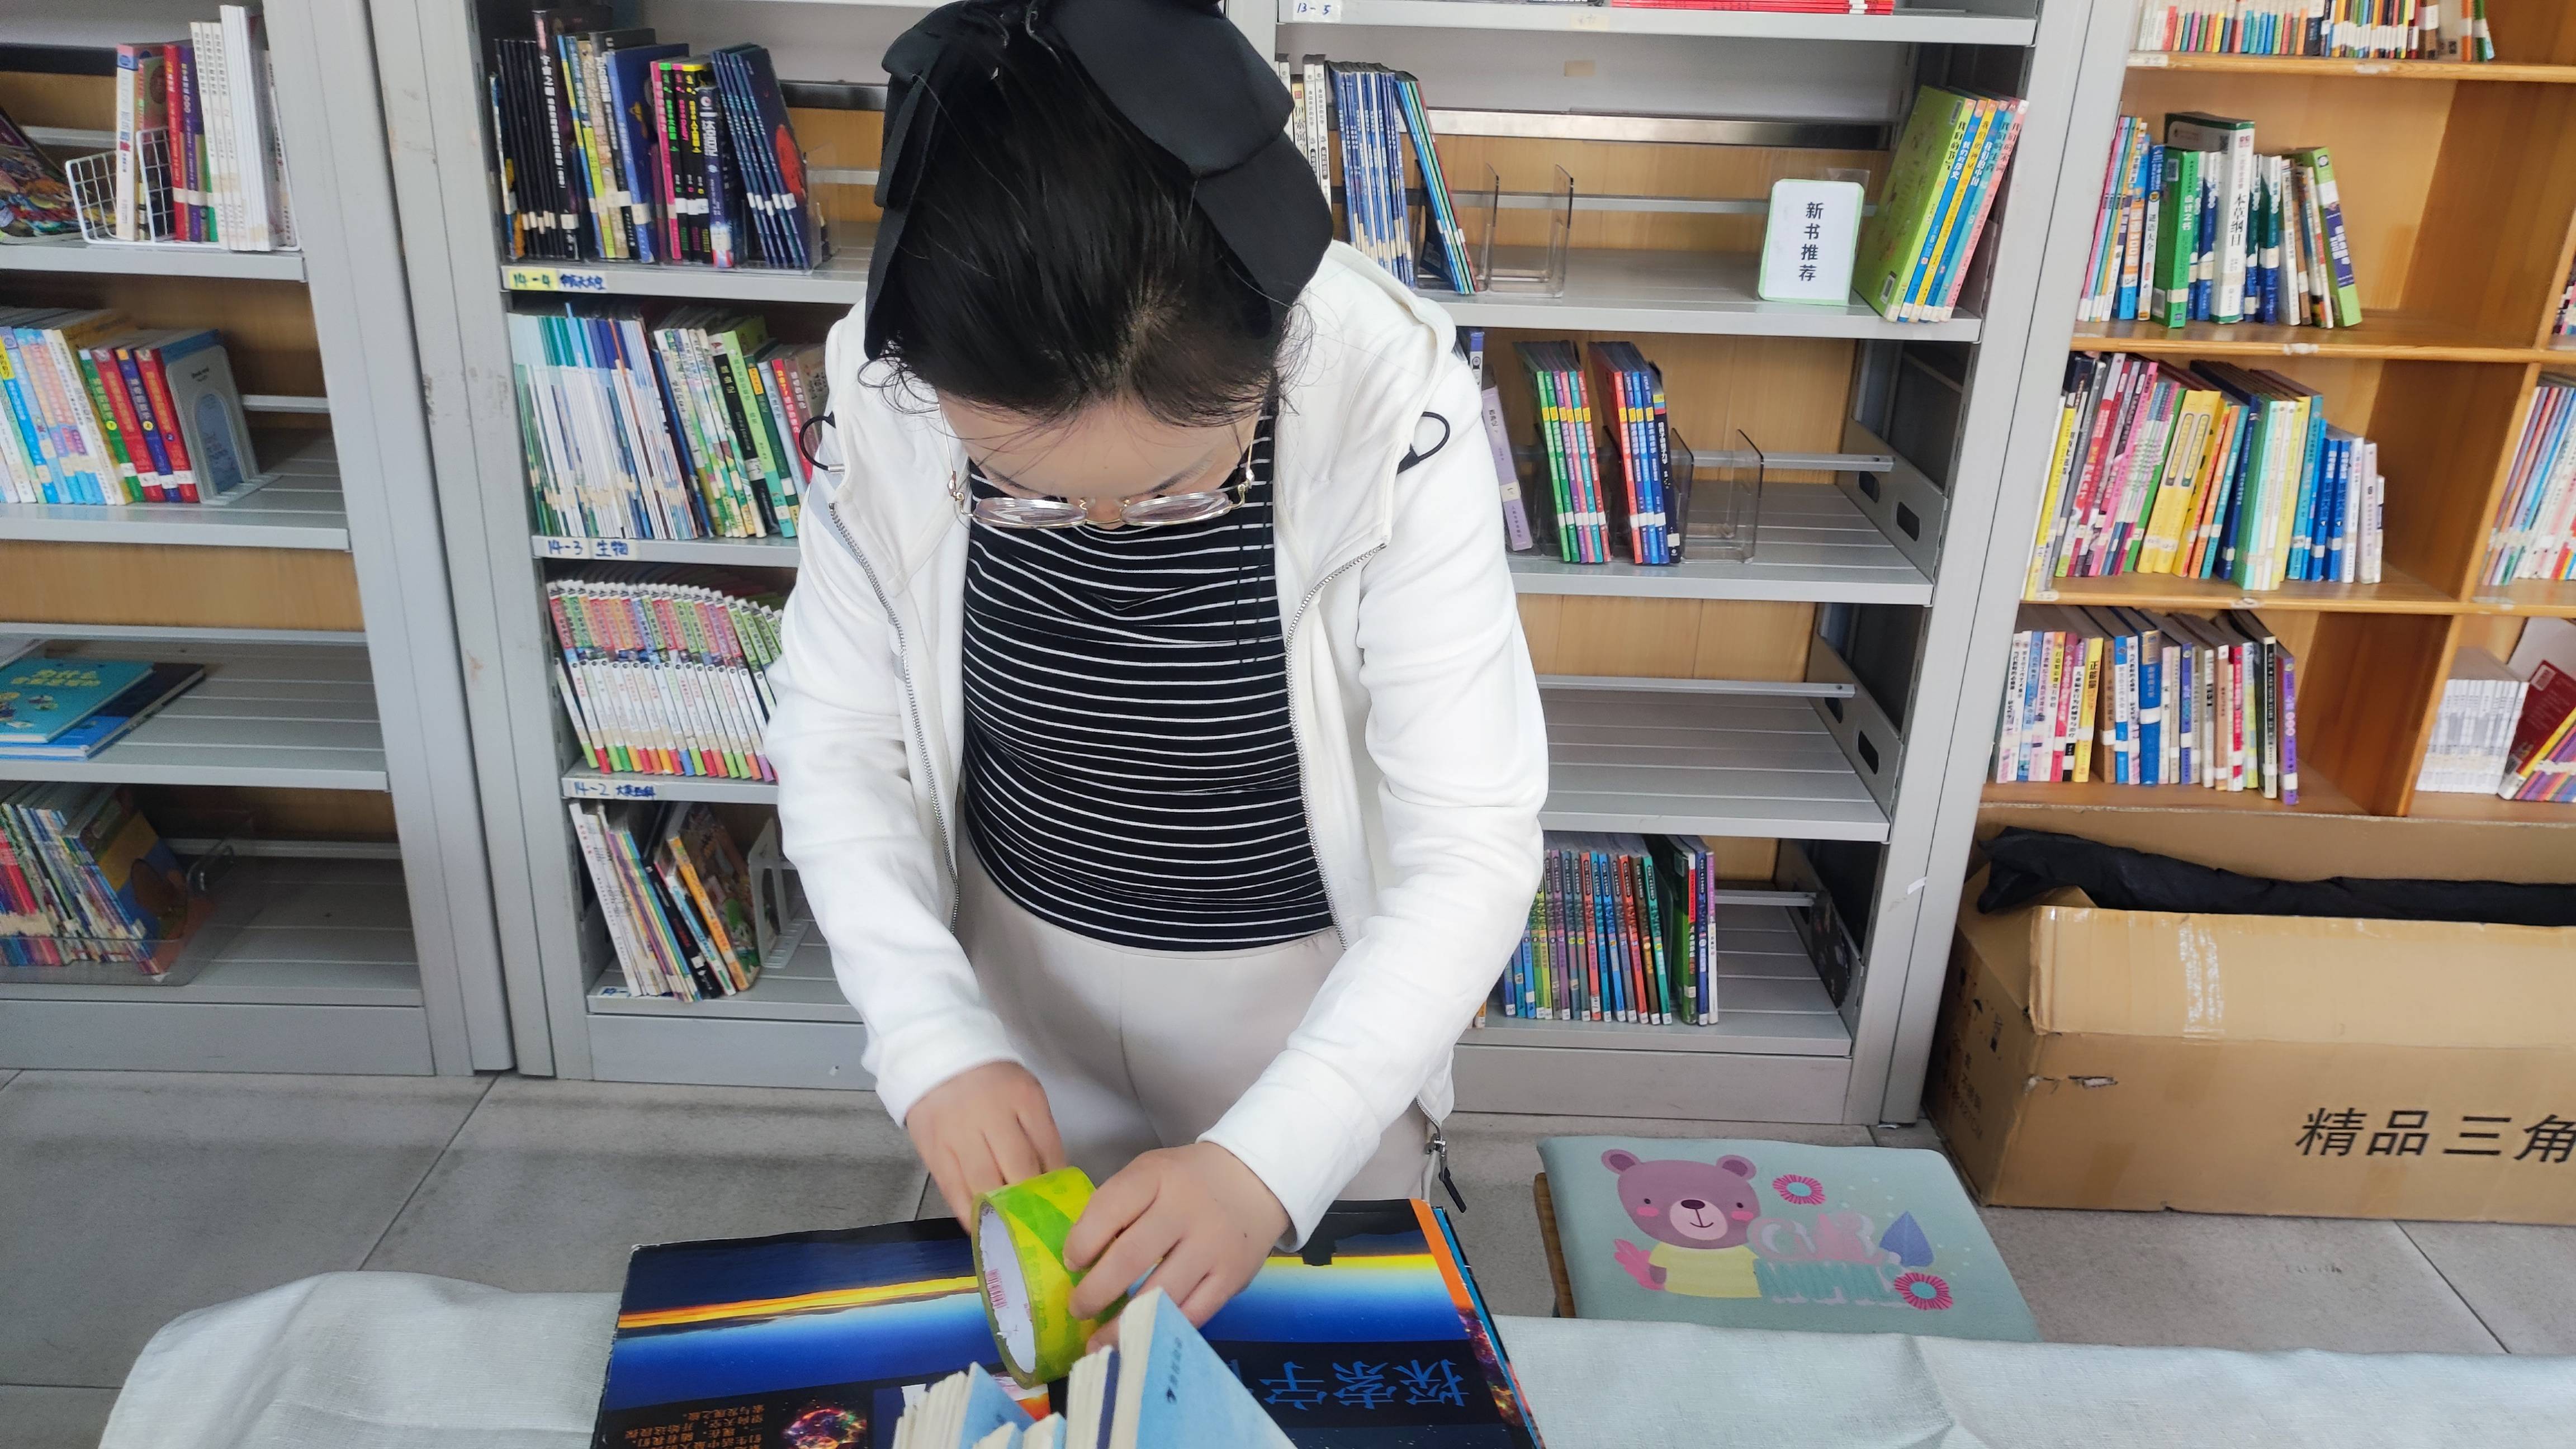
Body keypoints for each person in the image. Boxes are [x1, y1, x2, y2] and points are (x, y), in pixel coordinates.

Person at [766, 0, 1545, 1330]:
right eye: (1019, 490)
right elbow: (840, 740)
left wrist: (1275, 1154)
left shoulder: (1394, 408)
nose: (1107, 529)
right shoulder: (892, 380)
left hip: (1305, 1024)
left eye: (1179, 487)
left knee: (1306, 1358)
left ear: (1274, 353)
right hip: (1025, 999)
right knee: (1052, 1364)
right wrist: (931, 1034)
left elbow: (1472, 842)